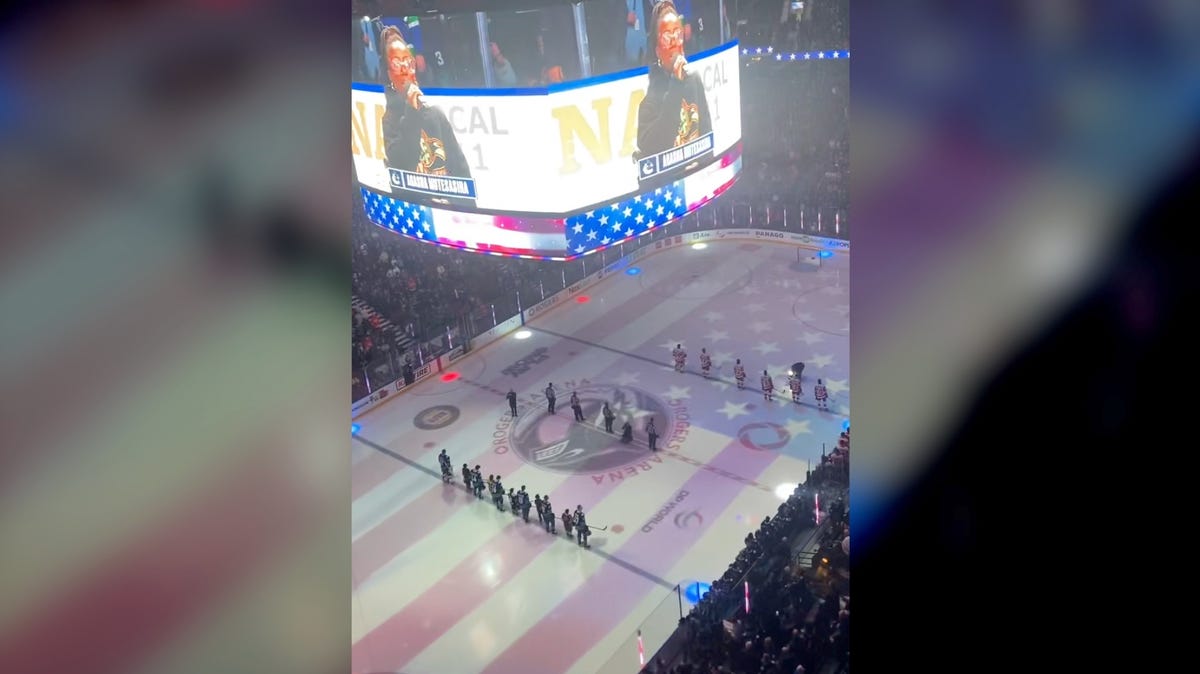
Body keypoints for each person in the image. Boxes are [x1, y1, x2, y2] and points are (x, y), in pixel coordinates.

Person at [379, 26, 473, 192]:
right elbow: (401, 166)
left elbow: (462, 174)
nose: (405, 69)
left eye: (408, 62)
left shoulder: (435, 114)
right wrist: (412, 111)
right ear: (389, 75)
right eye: (396, 63)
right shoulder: (390, 122)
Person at [634, 1, 713, 163]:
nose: (674, 42)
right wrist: (676, 83)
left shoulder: (694, 79)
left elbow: (706, 135)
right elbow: (654, 148)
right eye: (667, 36)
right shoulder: (651, 97)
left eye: (678, 34)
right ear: (657, 51)